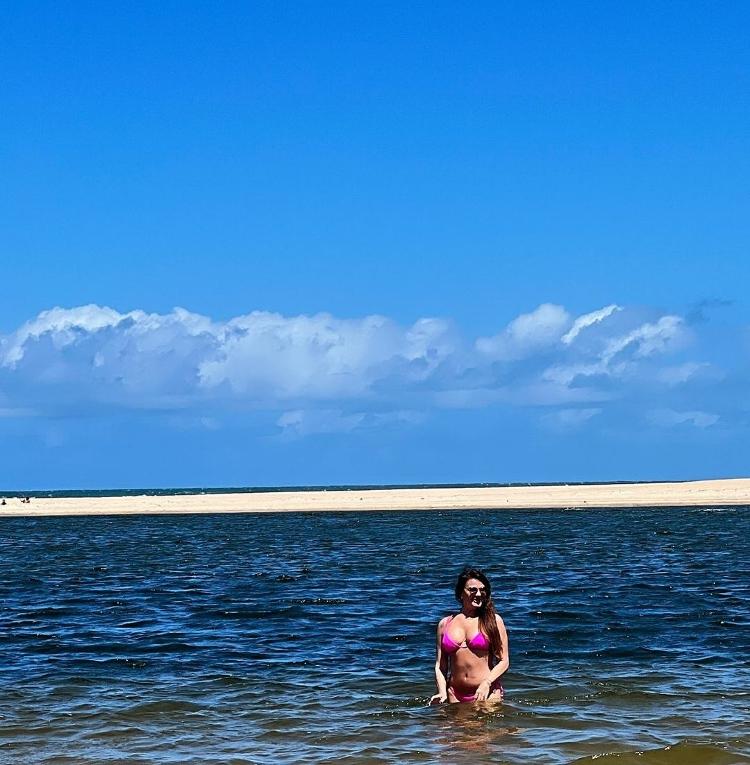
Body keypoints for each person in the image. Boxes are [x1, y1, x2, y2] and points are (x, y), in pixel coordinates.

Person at [430, 566, 509, 704]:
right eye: (473, 589)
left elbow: (504, 661)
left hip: (487, 693)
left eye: (482, 590)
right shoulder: (445, 624)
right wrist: (441, 692)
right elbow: (440, 667)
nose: (478, 594)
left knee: (488, 726)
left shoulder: (494, 621)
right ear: (461, 593)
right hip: (454, 694)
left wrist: (487, 683)